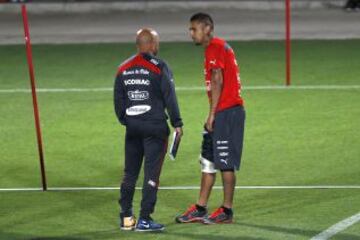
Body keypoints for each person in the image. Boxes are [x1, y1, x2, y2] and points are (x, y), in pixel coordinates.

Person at [175, 13, 245, 224]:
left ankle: (226, 210)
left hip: (227, 112)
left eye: (194, 29)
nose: (191, 33)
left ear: (207, 28)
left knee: (225, 163)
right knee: (208, 160)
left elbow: (217, 80)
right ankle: (200, 207)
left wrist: (212, 115)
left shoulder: (215, 46)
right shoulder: (215, 48)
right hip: (221, 112)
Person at [114, 28, 183, 232]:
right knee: (151, 174)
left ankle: (126, 218)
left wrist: (127, 120)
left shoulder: (123, 68)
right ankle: (144, 219)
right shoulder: (159, 67)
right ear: (152, 44)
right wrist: (177, 123)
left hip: (133, 128)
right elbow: (170, 97)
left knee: (129, 174)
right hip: (155, 128)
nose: (158, 46)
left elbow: (118, 102)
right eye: (157, 42)